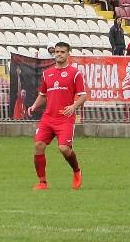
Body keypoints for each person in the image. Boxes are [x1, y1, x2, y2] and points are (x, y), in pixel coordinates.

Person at [27, 41, 86, 190]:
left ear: (68, 54)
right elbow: (43, 95)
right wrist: (34, 106)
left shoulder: (75, 73)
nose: (59, 54)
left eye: (62, 52)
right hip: (48, 117)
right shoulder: (47, 73)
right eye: (57, 52)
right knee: (38, 146)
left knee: (64, 149)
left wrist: (73, 106)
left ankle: (77, 171)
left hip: (65, 118)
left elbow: (83, 96)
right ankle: (42, 182)